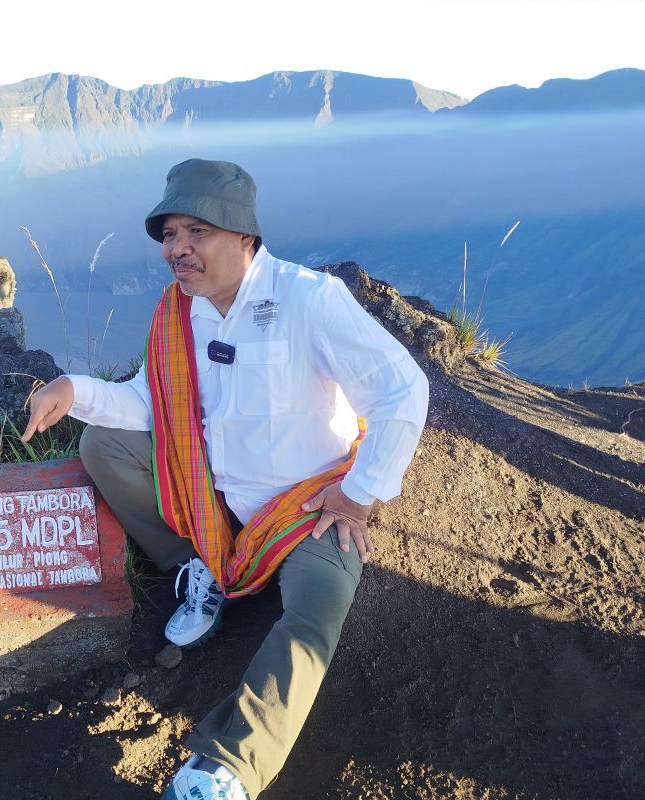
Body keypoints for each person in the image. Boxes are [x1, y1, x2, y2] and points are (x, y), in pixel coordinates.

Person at [22, 159, 428, 800]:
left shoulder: (308, 300)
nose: (178, 249)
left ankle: (229, 766)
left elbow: (403, 391)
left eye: (197, 231)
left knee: (317, 611)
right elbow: (152, 404)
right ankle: (199, 563)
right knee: (103, 443)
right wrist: (74, 390)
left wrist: (357, 493)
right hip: (215, 498)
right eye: (169, 234)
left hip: (308, 506)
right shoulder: (182, 313)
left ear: (245, 236)